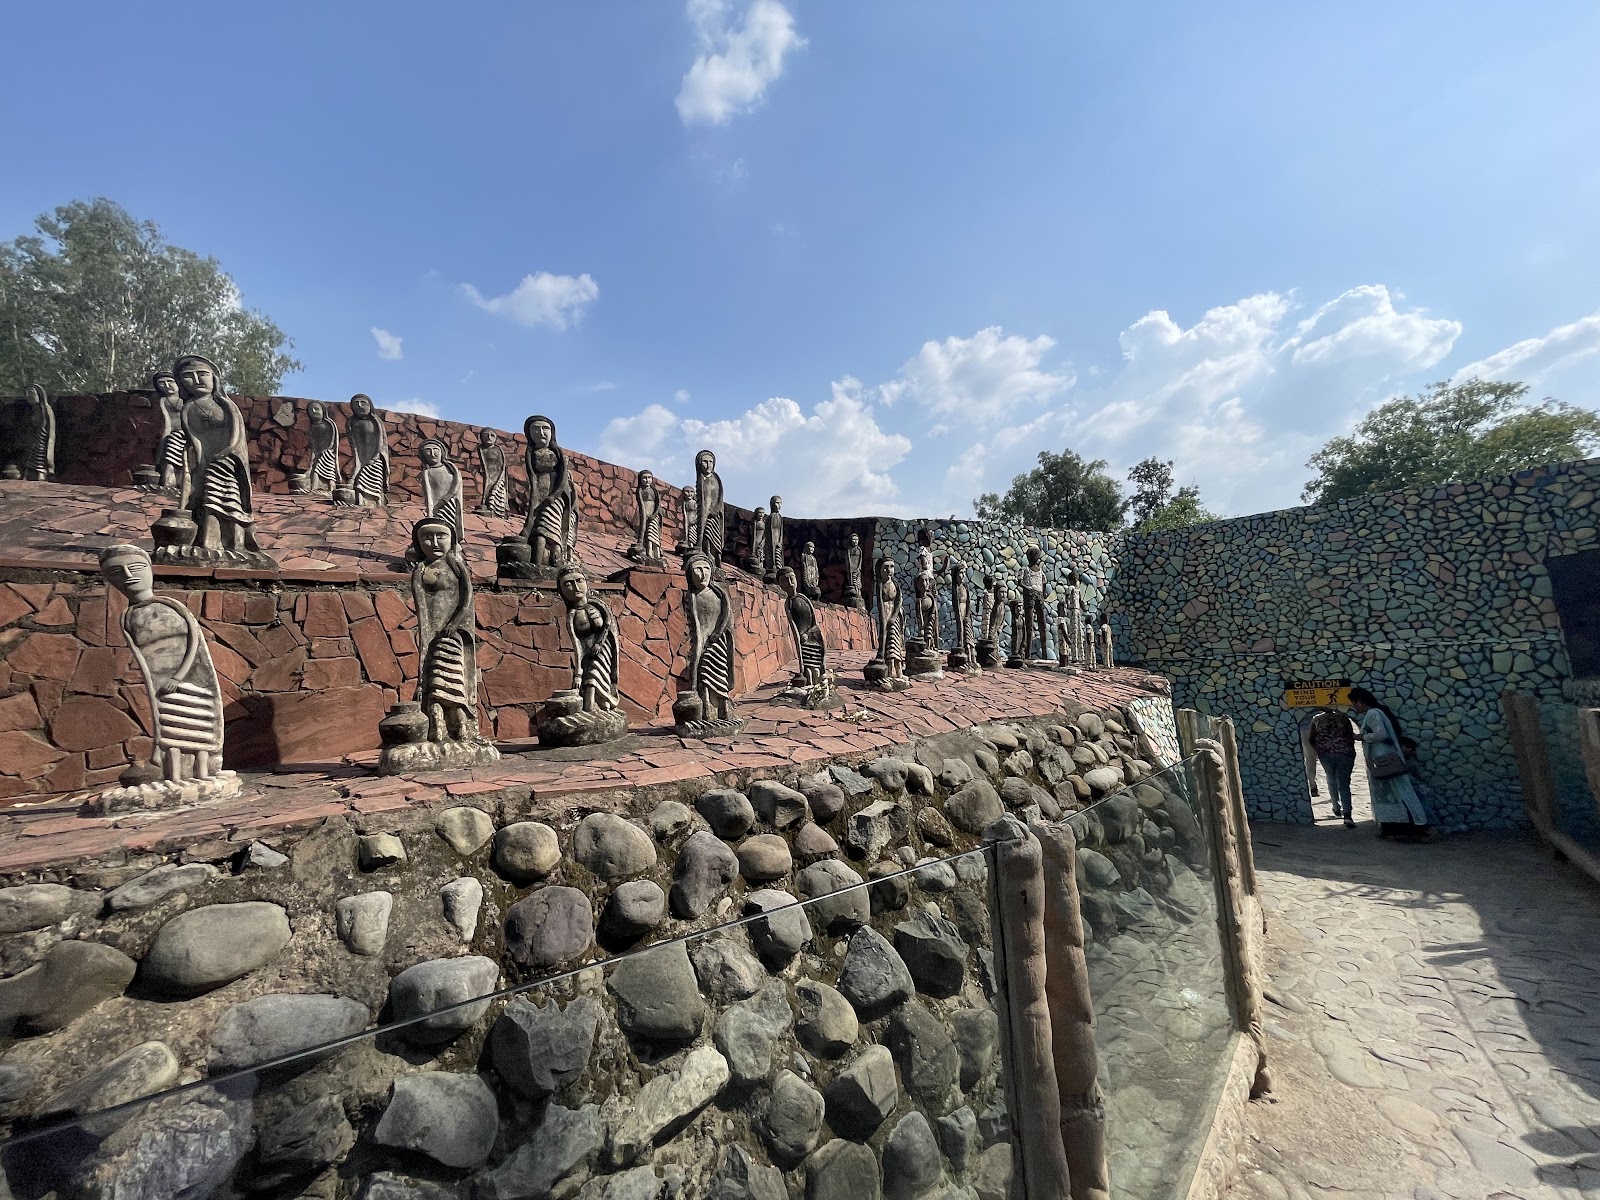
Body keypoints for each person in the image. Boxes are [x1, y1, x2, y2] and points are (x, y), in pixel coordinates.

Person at [1348, 687, 1433, 840]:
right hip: (1384, 760)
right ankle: (1399, 828)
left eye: (1354, 703)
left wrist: (1362, 737)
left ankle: (1418, 828)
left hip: (1386, 762)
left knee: (1401, 793)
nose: (1353, 707)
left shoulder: (1373, 714)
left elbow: (1381, 734)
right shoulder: (1377, 712)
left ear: (1360, 702)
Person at [1310, 707, 1358, 828]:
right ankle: (1347, 814)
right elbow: (1350, 735)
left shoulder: (1317, 719)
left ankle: (1336, 807)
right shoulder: (1344, 718)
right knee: (1344, 783)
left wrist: (1318, 750)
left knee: (1331, 778)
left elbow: (1311, 739)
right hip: (1345, 753)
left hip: (1325, 753)